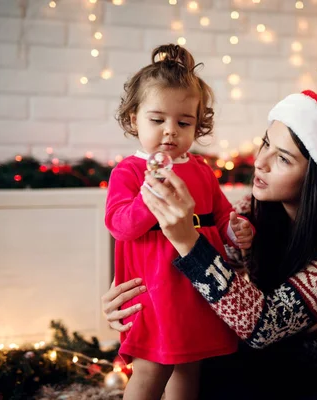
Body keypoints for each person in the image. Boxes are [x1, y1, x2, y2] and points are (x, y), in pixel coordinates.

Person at [103, 90, 317, 399]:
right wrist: (137, 295)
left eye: (283, 158)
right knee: (201, 362)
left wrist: (188, 241)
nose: (260, 162)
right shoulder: (255, 211)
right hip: (289, 360)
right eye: (265, 144)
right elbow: (219, 281)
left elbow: (264, 324)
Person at [105, 44, 254, 400]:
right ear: (133, 120)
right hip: (153, 287)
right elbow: (120, 225)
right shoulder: (129, 171)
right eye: (157, 120)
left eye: (183, 122)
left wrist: (236, 230)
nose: (170, 131)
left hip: (196, 286)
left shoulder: (201, 170)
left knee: (190, 363)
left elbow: (219, 216)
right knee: (151, 366)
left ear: (197, 125)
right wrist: (148, 197)